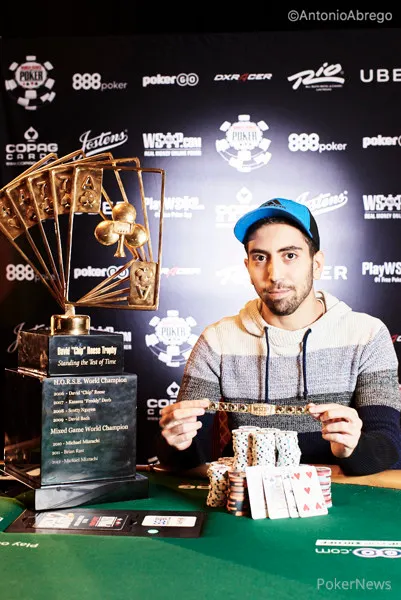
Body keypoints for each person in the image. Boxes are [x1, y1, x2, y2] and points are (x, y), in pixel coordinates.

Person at [157, 198, 401, 476]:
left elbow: (388, 445)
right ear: (248, 267)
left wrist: (351, 449)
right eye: (260, 258)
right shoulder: (217, 340)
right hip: (247, 494)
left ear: (317, 264)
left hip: (341, 490)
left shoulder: (367, 335)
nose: (274, 274)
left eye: (290, 255)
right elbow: (190, 452)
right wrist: (177, 442)